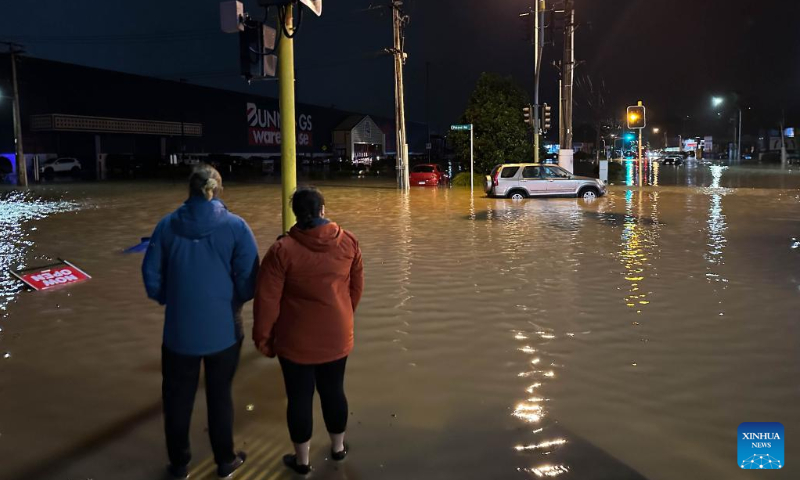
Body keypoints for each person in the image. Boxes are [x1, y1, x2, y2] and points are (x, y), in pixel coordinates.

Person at [142, 164, 259, 479]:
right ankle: (225, 460)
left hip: (178, 331)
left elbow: (151, 275)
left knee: (177, 398)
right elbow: (249, 278)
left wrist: (170, 297)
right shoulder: (237, 227)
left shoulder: (166, 226)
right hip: (224, 329)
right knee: (220, 395)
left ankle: (179, 465)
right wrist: (234, 299)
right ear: (217, 190)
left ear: (189, 190)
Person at [253, 187, 364, 475]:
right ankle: (338, 449)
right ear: (323, 211)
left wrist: (263, 338)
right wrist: (342, 315)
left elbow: (266, 300)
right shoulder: (348, 242)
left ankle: (302, 462)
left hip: (295, 340)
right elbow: (356, 288)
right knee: (334, 391)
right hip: (337, 334)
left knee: (299, 398)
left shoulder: (281, 250)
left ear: (296, 214)